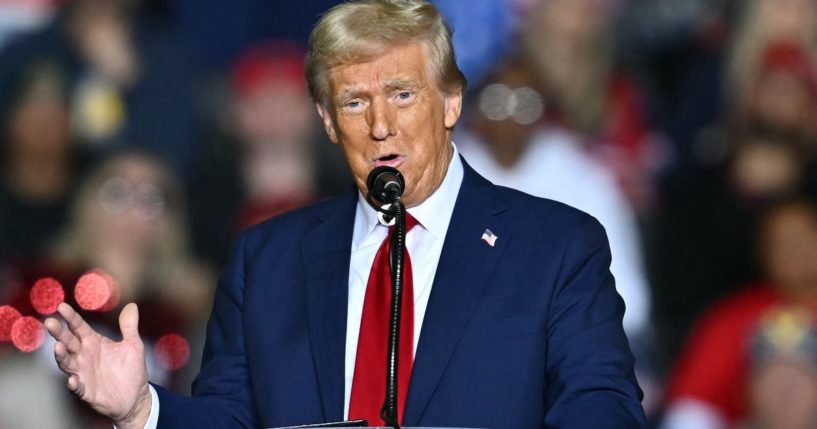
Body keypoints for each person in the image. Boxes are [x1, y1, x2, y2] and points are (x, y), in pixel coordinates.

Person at [44, 1, 645, 428]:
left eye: (402, 94)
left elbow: (600, 405)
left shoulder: (555, 246)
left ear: (452, 101)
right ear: (328, 123)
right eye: (354, 102)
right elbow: (230, 418)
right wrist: (141, 409)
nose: (380, 125)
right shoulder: (268, 260)